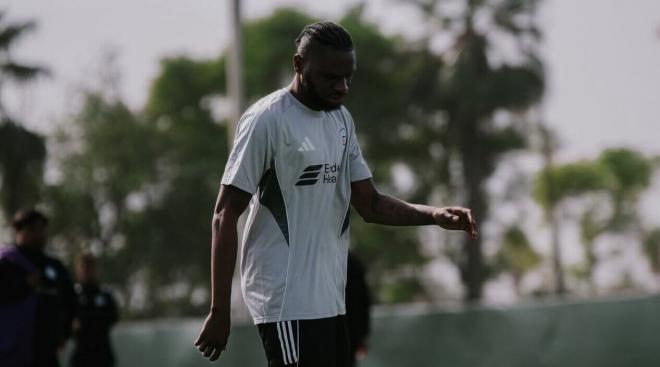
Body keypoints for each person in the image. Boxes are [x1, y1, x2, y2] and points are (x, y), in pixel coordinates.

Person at [194, 21, 477, 367]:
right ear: (299, 66)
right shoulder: (267, 120)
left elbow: (371, 204)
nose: (342, 87)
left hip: (330, 302)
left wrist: (432, 215)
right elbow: (224, 214)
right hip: (285, 302)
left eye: (348, 76)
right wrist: (219, 310)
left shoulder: (341, 121)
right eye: (330, 77)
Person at [9, 209, 77, 367]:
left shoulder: (54, 266)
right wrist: (23, 285)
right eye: (33, 229)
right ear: (19, 231)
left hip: (46, 350)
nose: (39, 234)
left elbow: (70, 302)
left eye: (41, 229)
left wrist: (63, 334)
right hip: (12, 351)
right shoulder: (7, 264)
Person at [70, 253, 118, 367]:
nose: (86, 270)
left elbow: (113, 317)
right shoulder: (72, 295)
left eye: (89, 267)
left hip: (102, 354)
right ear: (77, 270)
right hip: (81, 355)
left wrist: (91, 321)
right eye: (83, 267)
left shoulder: (104, 294)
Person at [345, 251, 371, 367]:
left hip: (347, 332)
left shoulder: (352, 263)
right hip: (350, 333)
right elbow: (364, 302)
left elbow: (363, 302)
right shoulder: (353, 262)